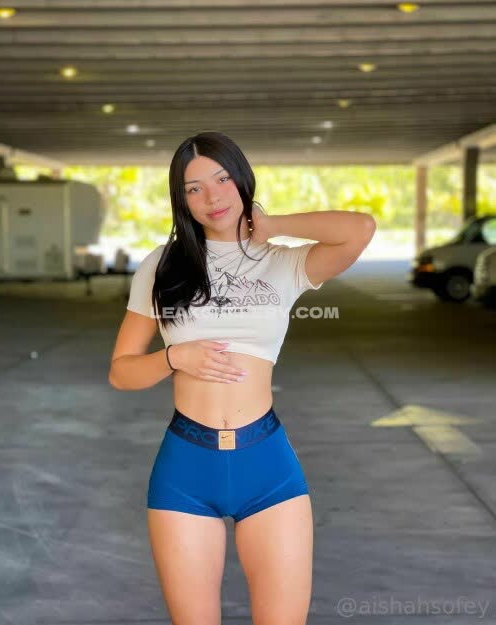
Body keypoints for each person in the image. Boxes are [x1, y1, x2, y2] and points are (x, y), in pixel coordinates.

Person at [109, 131, 376, 625]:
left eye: (222, 179)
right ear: (181, 200)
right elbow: (122, 372)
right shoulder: (162, 267)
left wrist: (271, 225)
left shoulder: (283, 262)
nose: (211, 197)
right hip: (186, 469)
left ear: (241, 180)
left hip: (267, 464)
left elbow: (360, 228)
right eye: (193, 188)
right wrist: (174, 357)